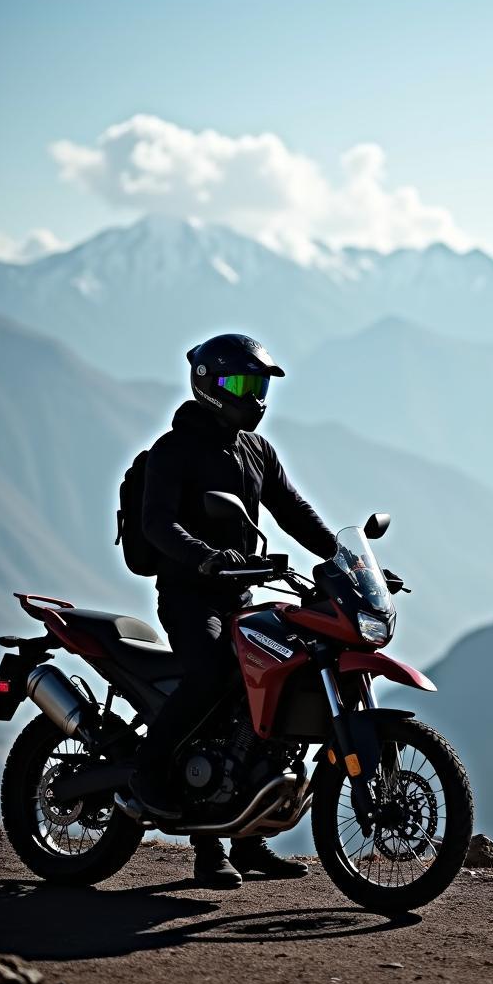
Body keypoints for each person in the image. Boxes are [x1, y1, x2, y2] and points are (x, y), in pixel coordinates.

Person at [130, 333, 338, 888]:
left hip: (239, 595)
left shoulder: (255, 451)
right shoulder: (174, 451)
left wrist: (341, 557)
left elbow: (292, 508)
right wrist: (205, 560)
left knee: (276, 685)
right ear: (210, 385)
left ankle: (250, 838)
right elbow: (157, 524)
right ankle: (160, 785)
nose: (257, 396)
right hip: (190, 595)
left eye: (262, 384)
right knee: (214, 678)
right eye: (244, 383)